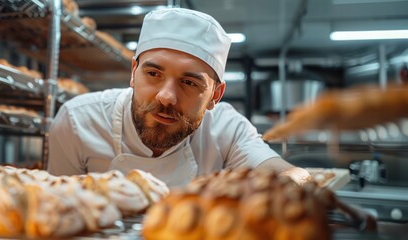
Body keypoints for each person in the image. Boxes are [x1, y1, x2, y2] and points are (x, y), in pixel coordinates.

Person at [48, 7, 310, 187]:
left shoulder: (226, 128)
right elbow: (54, 212)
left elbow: (289, 174)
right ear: (133, 72)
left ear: (215, 96)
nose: (166, 97)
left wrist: (289, 185)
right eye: (153, 73)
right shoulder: (77, 121)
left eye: (188, 82)